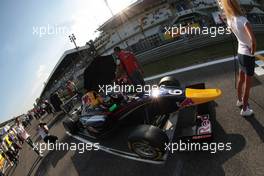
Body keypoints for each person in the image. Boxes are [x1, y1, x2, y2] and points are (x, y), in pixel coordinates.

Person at [222, 0, 257, 116]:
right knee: (247, 85)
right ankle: (245, 109)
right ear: (237, 5)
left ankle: (240, 101)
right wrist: (252, 51)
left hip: (240, 53)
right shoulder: (243, 21)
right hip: (247, 55)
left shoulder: (230, 20)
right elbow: (253, 41)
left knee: (241, 79)